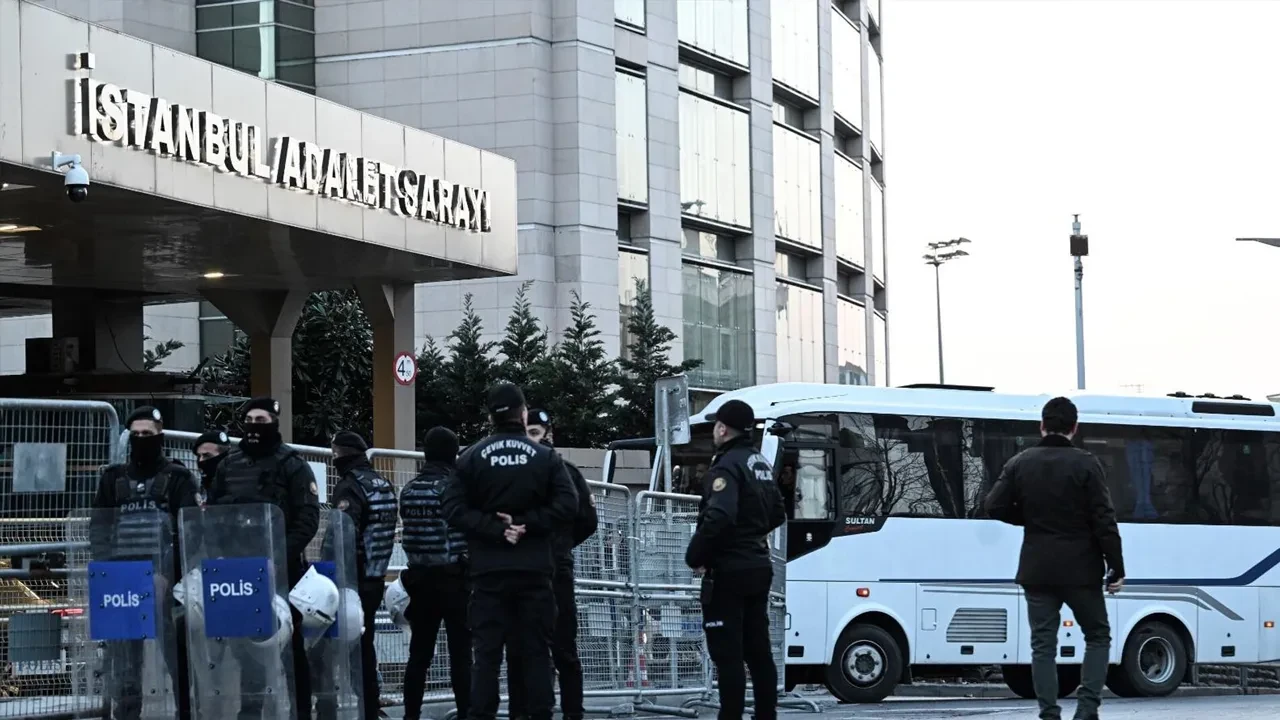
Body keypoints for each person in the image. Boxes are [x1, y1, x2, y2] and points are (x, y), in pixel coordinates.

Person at [441, 383, 579, 720]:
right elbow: (568, 504)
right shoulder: (545, 458)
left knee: (486, 656)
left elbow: (452, 508)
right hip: (534, 571)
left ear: (491, 417)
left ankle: (481, 715)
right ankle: (539, 714)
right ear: (523, 413)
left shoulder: (471, 457)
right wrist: (526, 524)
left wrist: (495, 528)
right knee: (536, 653)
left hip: (487, 573)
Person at [984, 396, 1125, 720]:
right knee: (1097, 635)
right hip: (1081, 570)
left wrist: (1030, 518)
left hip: (1037, 569)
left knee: (1043, 645)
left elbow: (994, 505)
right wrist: (1116, 566)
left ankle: (1049, 713)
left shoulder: (1020, 462)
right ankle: (1087, 709)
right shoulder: (1087, 464)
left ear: (1042, 426)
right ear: (1074, 428)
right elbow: (1104, 519)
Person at [207, 397, 321, 720]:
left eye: (262, 420)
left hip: (281, 570)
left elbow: (307, 519)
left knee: (290, 646)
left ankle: (300, 712)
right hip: (240, 571)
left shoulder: (292, 465)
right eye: (250, 420)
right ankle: (250, 712)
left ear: (274, 422)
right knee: (247, 648)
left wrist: (277, 557)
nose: (255, 426)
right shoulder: (229, 465)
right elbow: (213, 516)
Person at [91, 406, 200, 720]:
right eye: (136, 434)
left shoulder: (178, 477)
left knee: (177, 659)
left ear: (160, 435)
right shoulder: (113, 478)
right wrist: (109, 574)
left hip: (166, 584)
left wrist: (167, 575)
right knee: (125, 663)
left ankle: (186, 713)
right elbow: (100, 530)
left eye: (147, 434)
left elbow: (190, 533)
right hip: (123, 583)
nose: (141, 439)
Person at [684, 399, 785, 720]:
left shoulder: (726, 466)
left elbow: (720, 516)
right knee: (758, 651)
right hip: (758, 565)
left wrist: (696, 555)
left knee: (728, 654)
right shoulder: (759, 464)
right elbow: (778, 513)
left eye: (717, 425)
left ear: (723, 429)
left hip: (729, 571)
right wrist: (751, 535)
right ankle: (766, 715)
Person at [508, 409, 597, 720]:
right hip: (528, 569)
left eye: (536, 433)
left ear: (548, 435)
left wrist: (562, 545)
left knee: (563, 649)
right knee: (522, 649)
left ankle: (572, 713)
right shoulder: (517, 473)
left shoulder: (566, 472)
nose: (532, 439)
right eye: (527, 433)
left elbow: (587, 520)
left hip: (555, 569)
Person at [399, 426, 471, 720]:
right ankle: (466, 713)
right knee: (461, 655)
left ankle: (410, 715)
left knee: (419, 655)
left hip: (419, 581)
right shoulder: (455, 488)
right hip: (455, 580)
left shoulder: (409, 490)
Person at [329, 430, 398, 720]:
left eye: (334, 454)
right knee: (365, 643)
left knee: (349, 648)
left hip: (352, 578)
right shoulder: (383, 483)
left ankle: (362, 706)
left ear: (341, 454)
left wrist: (330, 571)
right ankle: (371, 705)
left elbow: (342, 534)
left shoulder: (350, 486)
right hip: (376, 576)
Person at [192, 429, 232, 504]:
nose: (200, 460)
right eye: (199, 456)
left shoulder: (235, 486)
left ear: (223, 456)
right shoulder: (201, 490)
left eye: (206, 455)